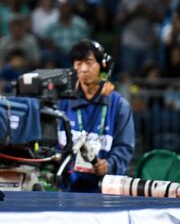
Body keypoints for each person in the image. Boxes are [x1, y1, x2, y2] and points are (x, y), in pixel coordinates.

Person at [57, 39, 135, 192]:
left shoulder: (119, 106)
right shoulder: (62, 103)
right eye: (78, 63)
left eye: (89, 62)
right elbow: (52, 145)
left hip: (105, 191)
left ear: (102, 66)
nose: (84, 69)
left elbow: (125, 148)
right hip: (67, 191)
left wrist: (110, 164)